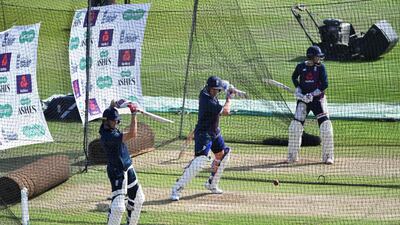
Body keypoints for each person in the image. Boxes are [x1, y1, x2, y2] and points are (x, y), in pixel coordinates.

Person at [171, 76, 233, 201]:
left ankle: (212, 184)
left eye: (217, 90)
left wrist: (226, 87)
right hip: (203, 134)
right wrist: (229, 97)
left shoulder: (207, 92)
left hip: (214, 132)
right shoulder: (206, 100)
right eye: (213, 90)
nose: (215, 92)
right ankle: (177, 188)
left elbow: (222, 85)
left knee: (224, 154)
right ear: (208, 88)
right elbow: (226, 111)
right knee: (200, 161)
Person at [99, 101, 145, 225]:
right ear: (106, 121)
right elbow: (132, 134)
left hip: (128, 166)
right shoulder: (107, 137)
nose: (117, 122)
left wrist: (120, 103)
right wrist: (134, 114)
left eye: (118, 120)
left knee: (139, 199)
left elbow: (111, 105)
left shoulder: (109, 126)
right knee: (119, 208)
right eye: (115, 120)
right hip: (117, 171)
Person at [287, 45, 334, 164]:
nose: (319, 59)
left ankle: (328, 156)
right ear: (311, 57)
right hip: (303, 100)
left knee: (325, 126)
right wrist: (298, 89)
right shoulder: (300, 67)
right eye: (317, 56)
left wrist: (312, 94)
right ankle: (292, 155)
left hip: (318, 100)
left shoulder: (321, 68)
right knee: (295, 127)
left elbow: (324, 84)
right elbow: (294, 77)